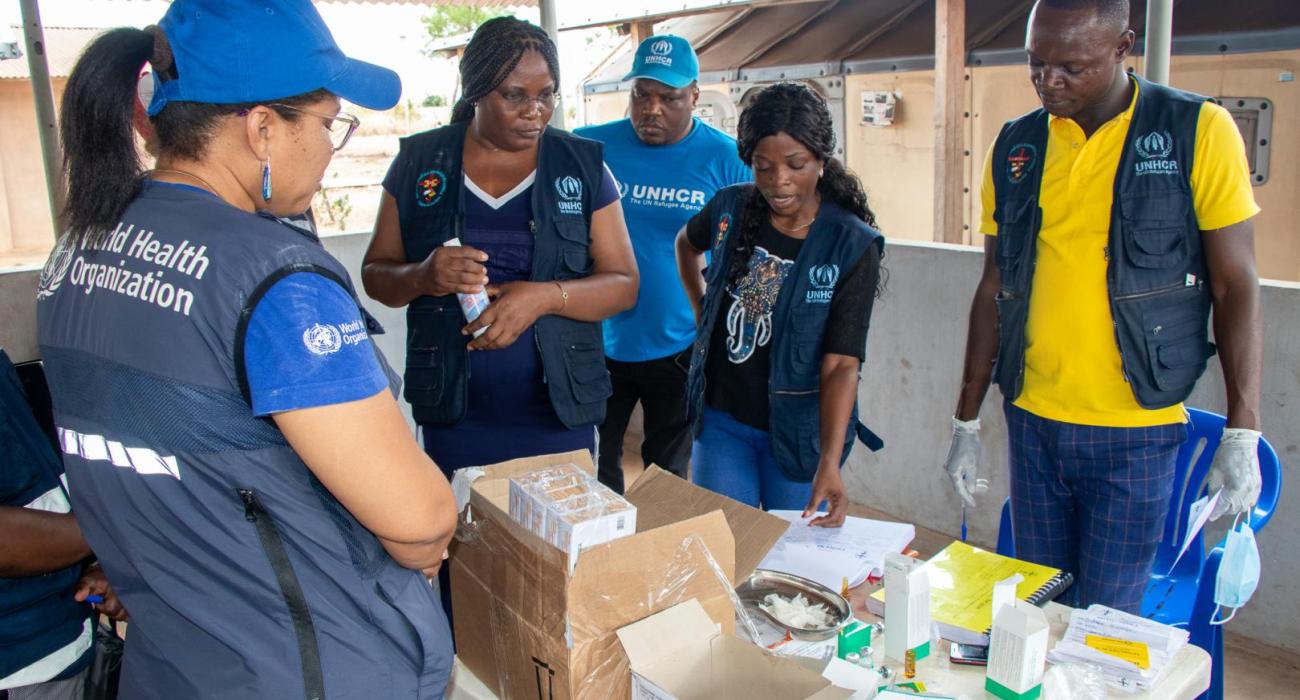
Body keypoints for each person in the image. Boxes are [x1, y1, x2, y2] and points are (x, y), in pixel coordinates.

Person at [38, 1, 459, 697]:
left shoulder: (81, 248)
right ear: (263, 126)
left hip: (174, 663)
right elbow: (420, 522)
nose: (331, 146)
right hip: (305, 666)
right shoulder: (271, 277)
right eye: (329, 124)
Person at [943, 0, 1263, 613]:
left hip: (1135, 434)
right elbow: (994, 287)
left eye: (1071, 67)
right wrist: (966, 421)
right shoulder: (1017, 144)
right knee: (1037, 612)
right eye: (1035, 64)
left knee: (1105, 624)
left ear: (1123, 48)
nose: (1048, 81)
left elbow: (1236, 285)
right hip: (1033, 423)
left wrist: (1242, 431)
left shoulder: (1196, 129)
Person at [361, 16, 637, 623]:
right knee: (463, 569)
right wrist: (426, 274)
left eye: (546, 95)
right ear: (476, 91)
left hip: (554, 416)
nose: (534, 111)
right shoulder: (419, 163)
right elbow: (377, 274)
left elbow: (623, 284)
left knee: (554, 576)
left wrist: (542, 297)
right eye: (516, 95)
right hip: (458, 416)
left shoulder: (582, 167)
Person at [676, 82, 884, 527]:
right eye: (763, 166)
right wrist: (701, 309)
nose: (778, 181)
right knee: (723, 544)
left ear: (822, 161)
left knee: (787, 554)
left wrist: (829, 461)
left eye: (796, 165)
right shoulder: (730, 207)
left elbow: (842, 364)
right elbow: (685, 245)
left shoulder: (850, 243)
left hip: (797, 435)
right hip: (722, 422)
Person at [574, 35, 750, 493]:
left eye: (669, 98)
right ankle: (603, 557)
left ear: (694, 95)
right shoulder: (589, 148)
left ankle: (658, 560)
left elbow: (757, 242)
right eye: (641, 95)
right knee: (592, 467)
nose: (652, 109)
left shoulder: (728, 159)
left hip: (681, 347)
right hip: (596, 340)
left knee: (665, 478)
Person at [1, 350, 126, 700]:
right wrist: (121, 539)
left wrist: (99, 563)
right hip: (21, 662)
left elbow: (36, 487)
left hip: (53, 636)